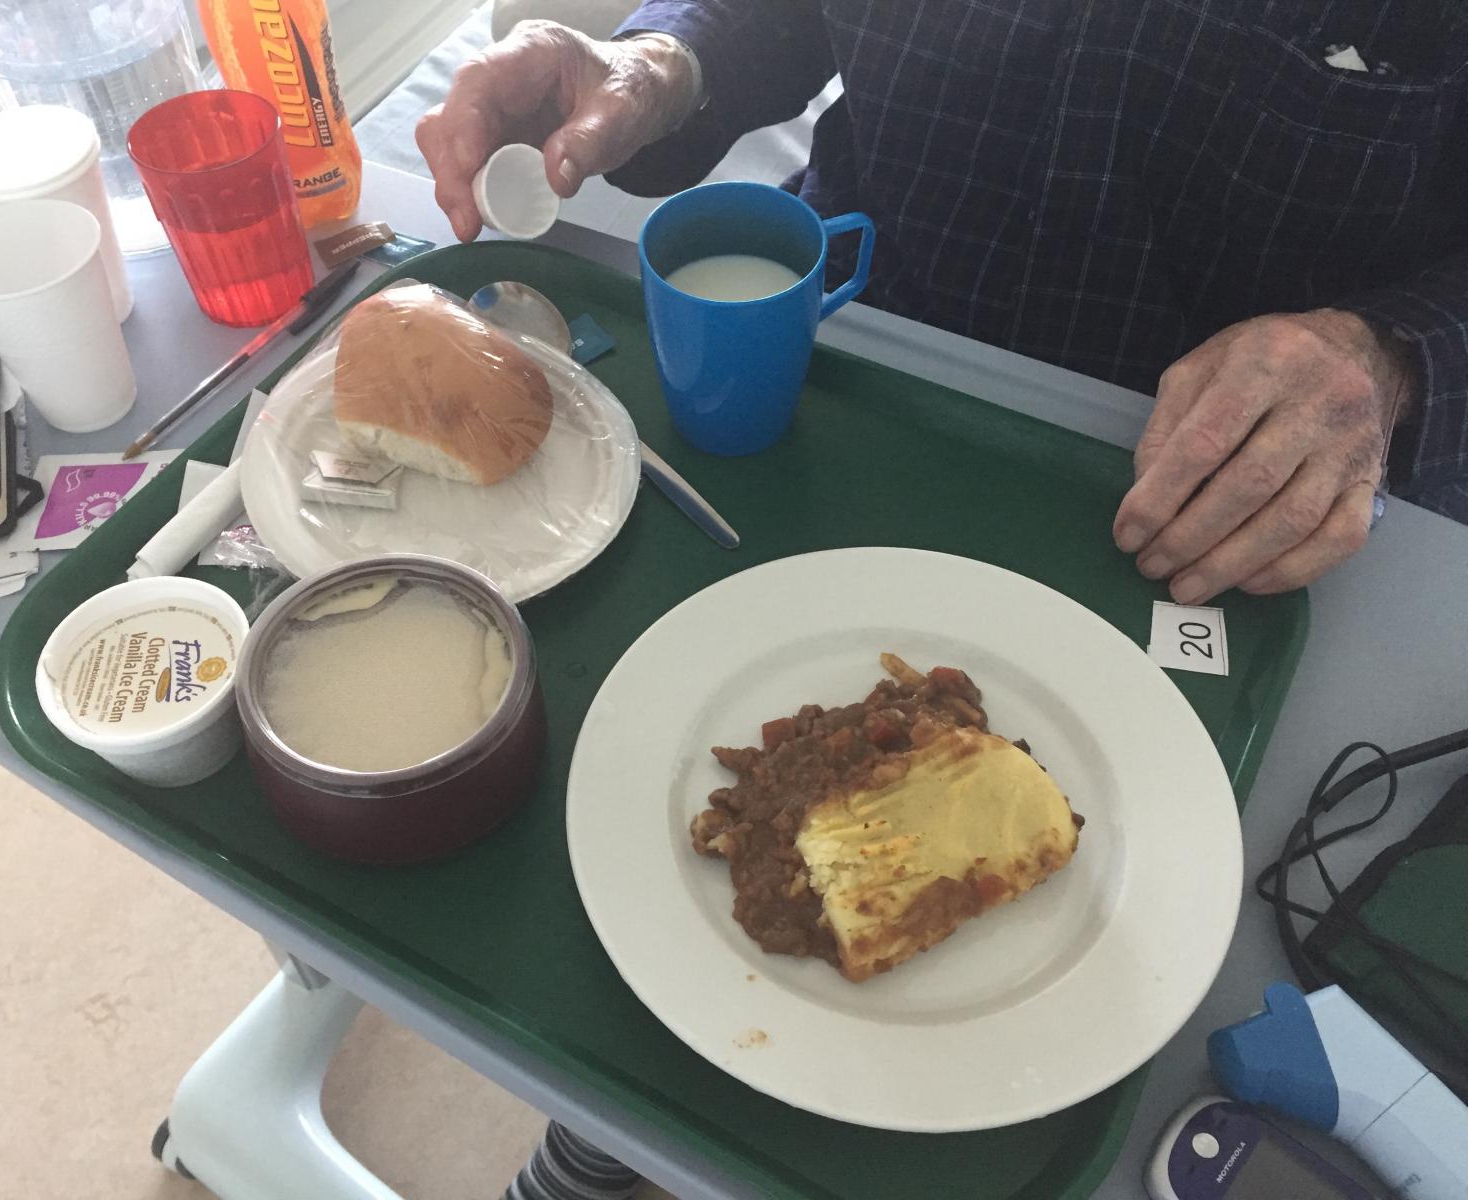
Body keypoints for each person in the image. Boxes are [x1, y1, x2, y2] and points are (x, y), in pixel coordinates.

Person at [415, 4, 1468, 1196]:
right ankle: (611, 1141)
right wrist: (659, 60)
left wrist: (1398, 355)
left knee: (1118, 1074)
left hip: (1230, 501)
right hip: (846, 375)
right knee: (639, 952)